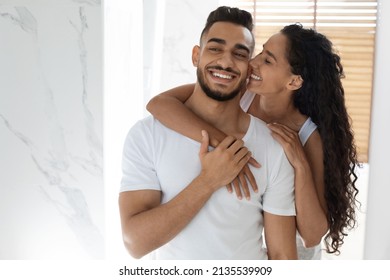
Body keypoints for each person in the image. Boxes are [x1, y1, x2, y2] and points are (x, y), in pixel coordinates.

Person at [147, 23, 359, 259]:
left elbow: (312, 236)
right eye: (260, 52)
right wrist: (226, 144)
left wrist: (301, 165)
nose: (253, 63)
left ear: (294, 82)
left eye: (267, 61)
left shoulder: (308, 136)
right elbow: (157, 104)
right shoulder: (240, 95)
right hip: (247, 245)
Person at [119, 6, 298, 260]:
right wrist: (209, 181)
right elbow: (135, 243)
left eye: (239, 54)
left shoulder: (273, 147)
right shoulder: (147, 136)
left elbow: (282, 256)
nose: (225, 62)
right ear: (196, 55)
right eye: (215, 48)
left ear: (250, 68)